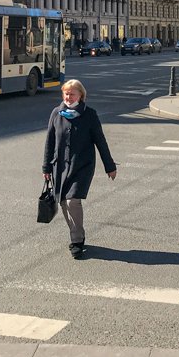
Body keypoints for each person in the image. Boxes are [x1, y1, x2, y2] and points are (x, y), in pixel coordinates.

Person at [42, 79, 117, 259]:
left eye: (72, 94)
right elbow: (49, 141)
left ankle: (76, 240)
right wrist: (46, 166)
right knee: (62, 202)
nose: (68, 97)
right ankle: (77, 233)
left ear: (80, 95)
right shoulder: (56, 113)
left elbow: (100, 141)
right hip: (60, 166)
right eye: (66, 94)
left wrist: (109, 166)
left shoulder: (89, 115)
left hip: (82, 165)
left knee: (72, 201)